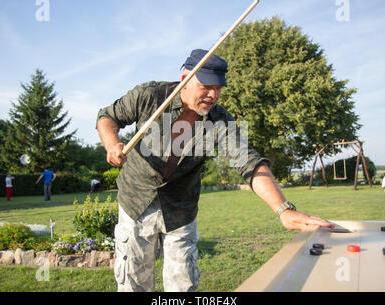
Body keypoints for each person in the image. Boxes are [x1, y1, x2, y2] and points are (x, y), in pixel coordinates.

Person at [96, 49, 333, 292]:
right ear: (185, 80)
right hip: (135, 204)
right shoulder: (148, 96)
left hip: (181, 211)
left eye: (219, 88)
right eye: (206, 86)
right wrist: (112, 144)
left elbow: (249, 163)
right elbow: (106, 117)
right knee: (133, 285)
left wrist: (283, 210)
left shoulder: (219, 120)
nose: (213, 94)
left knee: (183, 288)